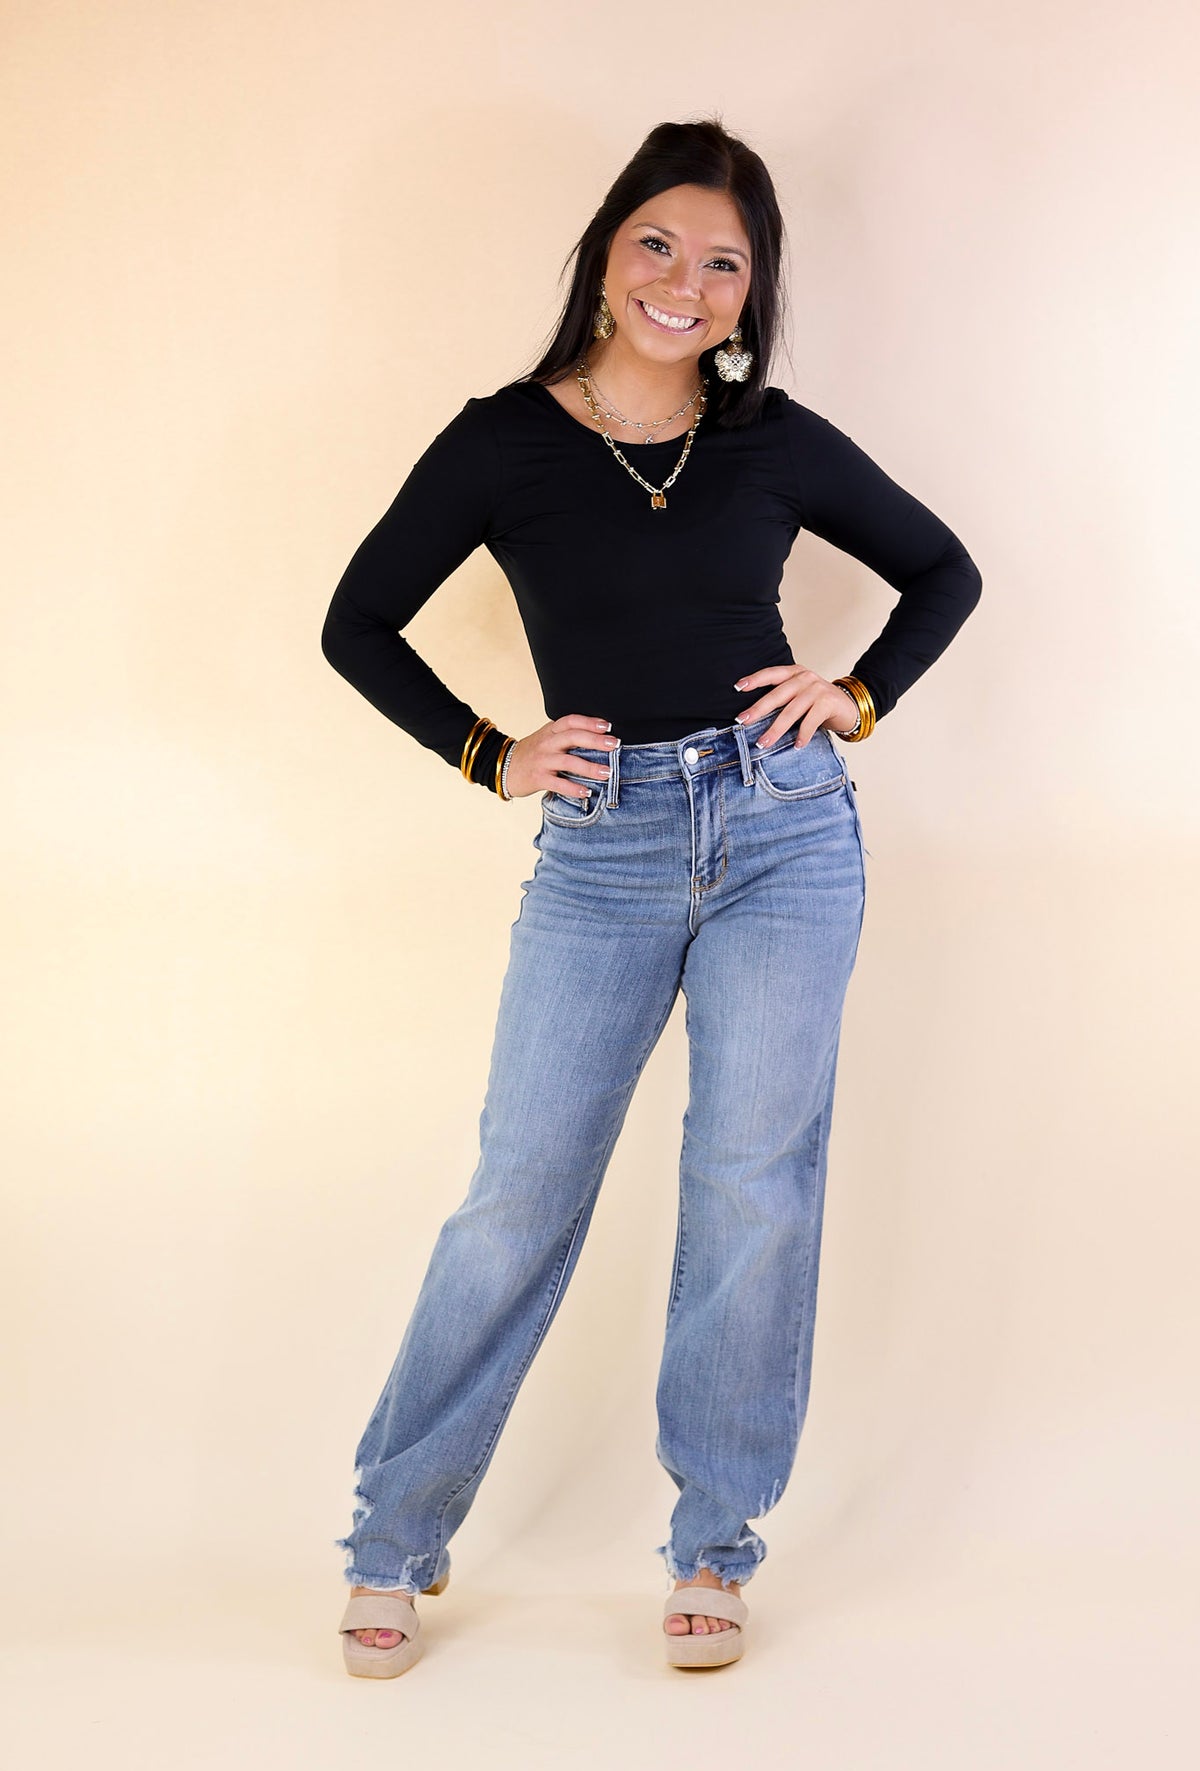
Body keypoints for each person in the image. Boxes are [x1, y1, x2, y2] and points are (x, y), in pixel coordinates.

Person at [321, 117, 982, 1678]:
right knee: (520, 1191)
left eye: (724, 264)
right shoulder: (503, 442)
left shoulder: (773, 440)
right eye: (659, 245)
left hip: (784, 831)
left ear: (753, 293)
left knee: (754, 1186)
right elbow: (357, 623)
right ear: (608, 256)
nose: (685, 282)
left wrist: (856, 697)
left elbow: (944, 570)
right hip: (603, 847)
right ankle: (392, 1539)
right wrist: (491, 754)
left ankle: (713, 1549)